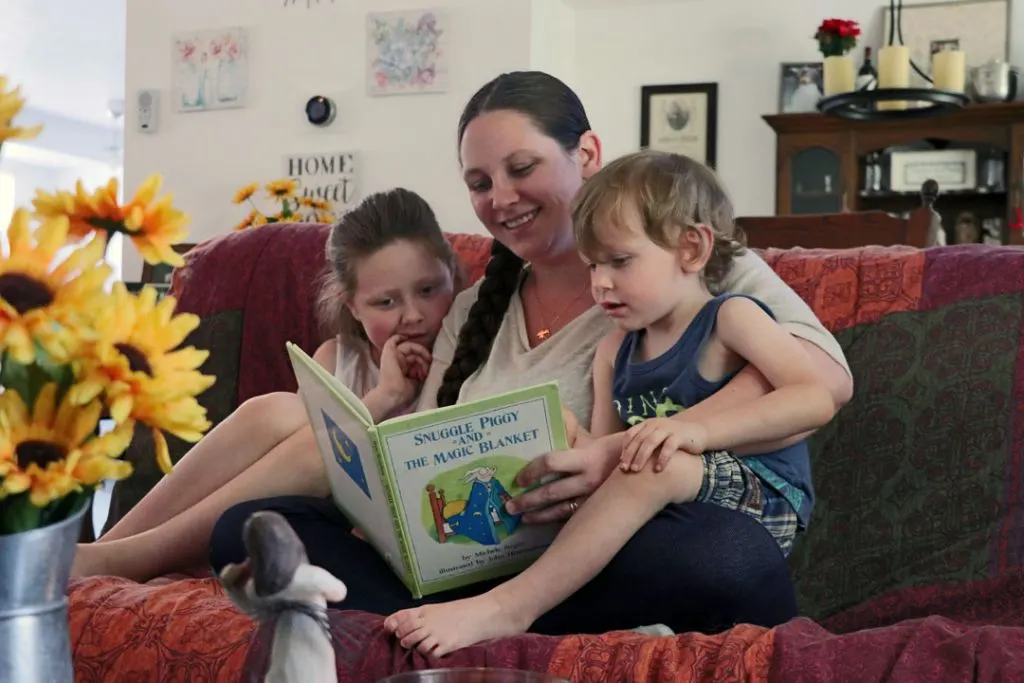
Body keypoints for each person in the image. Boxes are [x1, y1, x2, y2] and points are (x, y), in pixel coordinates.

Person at [209, 71, 853, 639]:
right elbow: (426, 450)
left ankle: (480, 618)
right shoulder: (485, 312)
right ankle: (487, 618)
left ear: (588, 153)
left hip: (638, 548)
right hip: (482, 556)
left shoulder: (702, 273)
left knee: (723, 555)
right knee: (247, 525)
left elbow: (820, 384)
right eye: (480, 182)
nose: (501, 197)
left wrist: (626, 452)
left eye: (522, 169)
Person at [384, 150, 839, 655]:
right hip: (672, 516)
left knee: (654, 465)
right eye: (593, 265)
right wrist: (567, 443)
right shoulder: (613, 351)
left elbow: (813, 397)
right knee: (619, 462)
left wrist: (696, 431)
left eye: (619, 262)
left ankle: (507, 608)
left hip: (762, 501)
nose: (600, 282)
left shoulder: (730, 321)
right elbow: (605, 470)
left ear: (691, 249)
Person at [71, 187, 461, 581]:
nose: (413, 315)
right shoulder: (337, 357)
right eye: (386, 303)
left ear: (453, 276)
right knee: (277, 411)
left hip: (374, 536)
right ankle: (109, 546)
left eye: (428, 290)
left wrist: (388, 397)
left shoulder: (468, 356)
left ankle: (129, 558)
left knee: (307, 427)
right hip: (295, 510)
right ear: (352, 306)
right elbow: (288, 466)